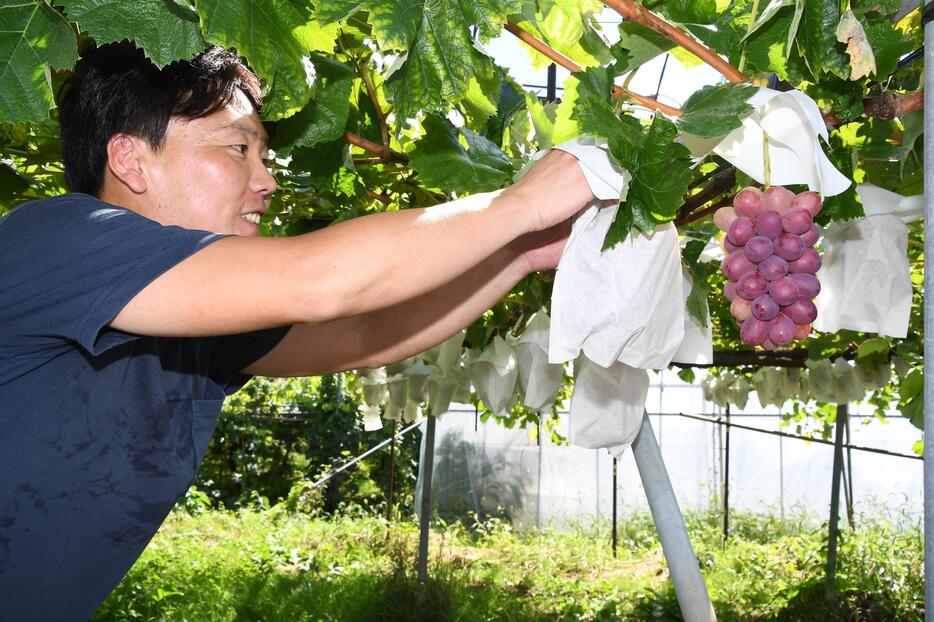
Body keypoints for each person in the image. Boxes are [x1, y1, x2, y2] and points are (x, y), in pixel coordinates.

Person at [0, 42, 594, 619]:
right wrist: (519, 206)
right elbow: (322, 280)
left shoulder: (187, 324)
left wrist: (517, 255)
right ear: (130, 158)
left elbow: (365, 335)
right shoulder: (56, 238)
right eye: (238, 148)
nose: (267, 181)